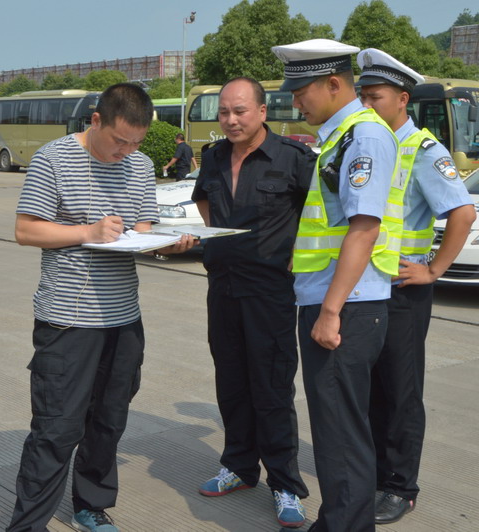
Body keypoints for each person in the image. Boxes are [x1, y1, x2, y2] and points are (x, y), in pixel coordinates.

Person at [7, 83, 194, 532]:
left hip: (123, 317)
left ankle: (91, 504)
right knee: (57, 427)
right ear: (96, 121)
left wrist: (167, 245)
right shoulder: (54, 159)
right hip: (67, 320)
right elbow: (26, 230)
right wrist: (86, 232)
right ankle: (27, 523)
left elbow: (142, 231)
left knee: (109, 419)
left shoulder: (140, 165)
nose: (126, 152)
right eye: (119, 141)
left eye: (136, 143)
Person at [271, 38, 401, 532]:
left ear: (332, 84)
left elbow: (363, 229)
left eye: (301, 91)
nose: (295, 102)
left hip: (345, 306)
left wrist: (330, 311)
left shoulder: (362, 138)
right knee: (336, 430)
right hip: (335, 299)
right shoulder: (342, 136)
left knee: (341, 434)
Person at [355, 49, 476, 525]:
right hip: (368, 288)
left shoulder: (423, 150)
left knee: (401, 391)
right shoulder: (372, 144)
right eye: (363, 97)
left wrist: (433, 270)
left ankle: (400, 487)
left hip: (404, 292)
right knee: (371, 389)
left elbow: (462, 213)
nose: (367, 105)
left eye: (376, 97)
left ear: (402, 99)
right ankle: (375, 474)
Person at [192, 77, 315, 529]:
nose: (230, 120)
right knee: (231, 383)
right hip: (222, 288)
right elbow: (204, 202)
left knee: (272, 388)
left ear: (262, 111)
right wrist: (225, 245)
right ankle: (239, 467)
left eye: (240, 111)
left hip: (270, 293)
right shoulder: (213, 156)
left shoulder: (294, 158)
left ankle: (284, 483)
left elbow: (321, 215)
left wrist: (296, 254)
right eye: (224, 112)